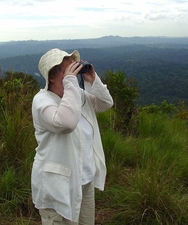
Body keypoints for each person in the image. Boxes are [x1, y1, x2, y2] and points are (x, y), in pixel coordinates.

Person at [31, 48, 113, 225]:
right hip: (58, 185)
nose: (73, 74)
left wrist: (93, 79)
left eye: (74, 69)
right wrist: (70, 82)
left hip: (85, 179)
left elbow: (106, 103)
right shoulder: (42, 101)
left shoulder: (78, 95)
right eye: (67, 70)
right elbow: (66, 123)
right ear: (51, 77)